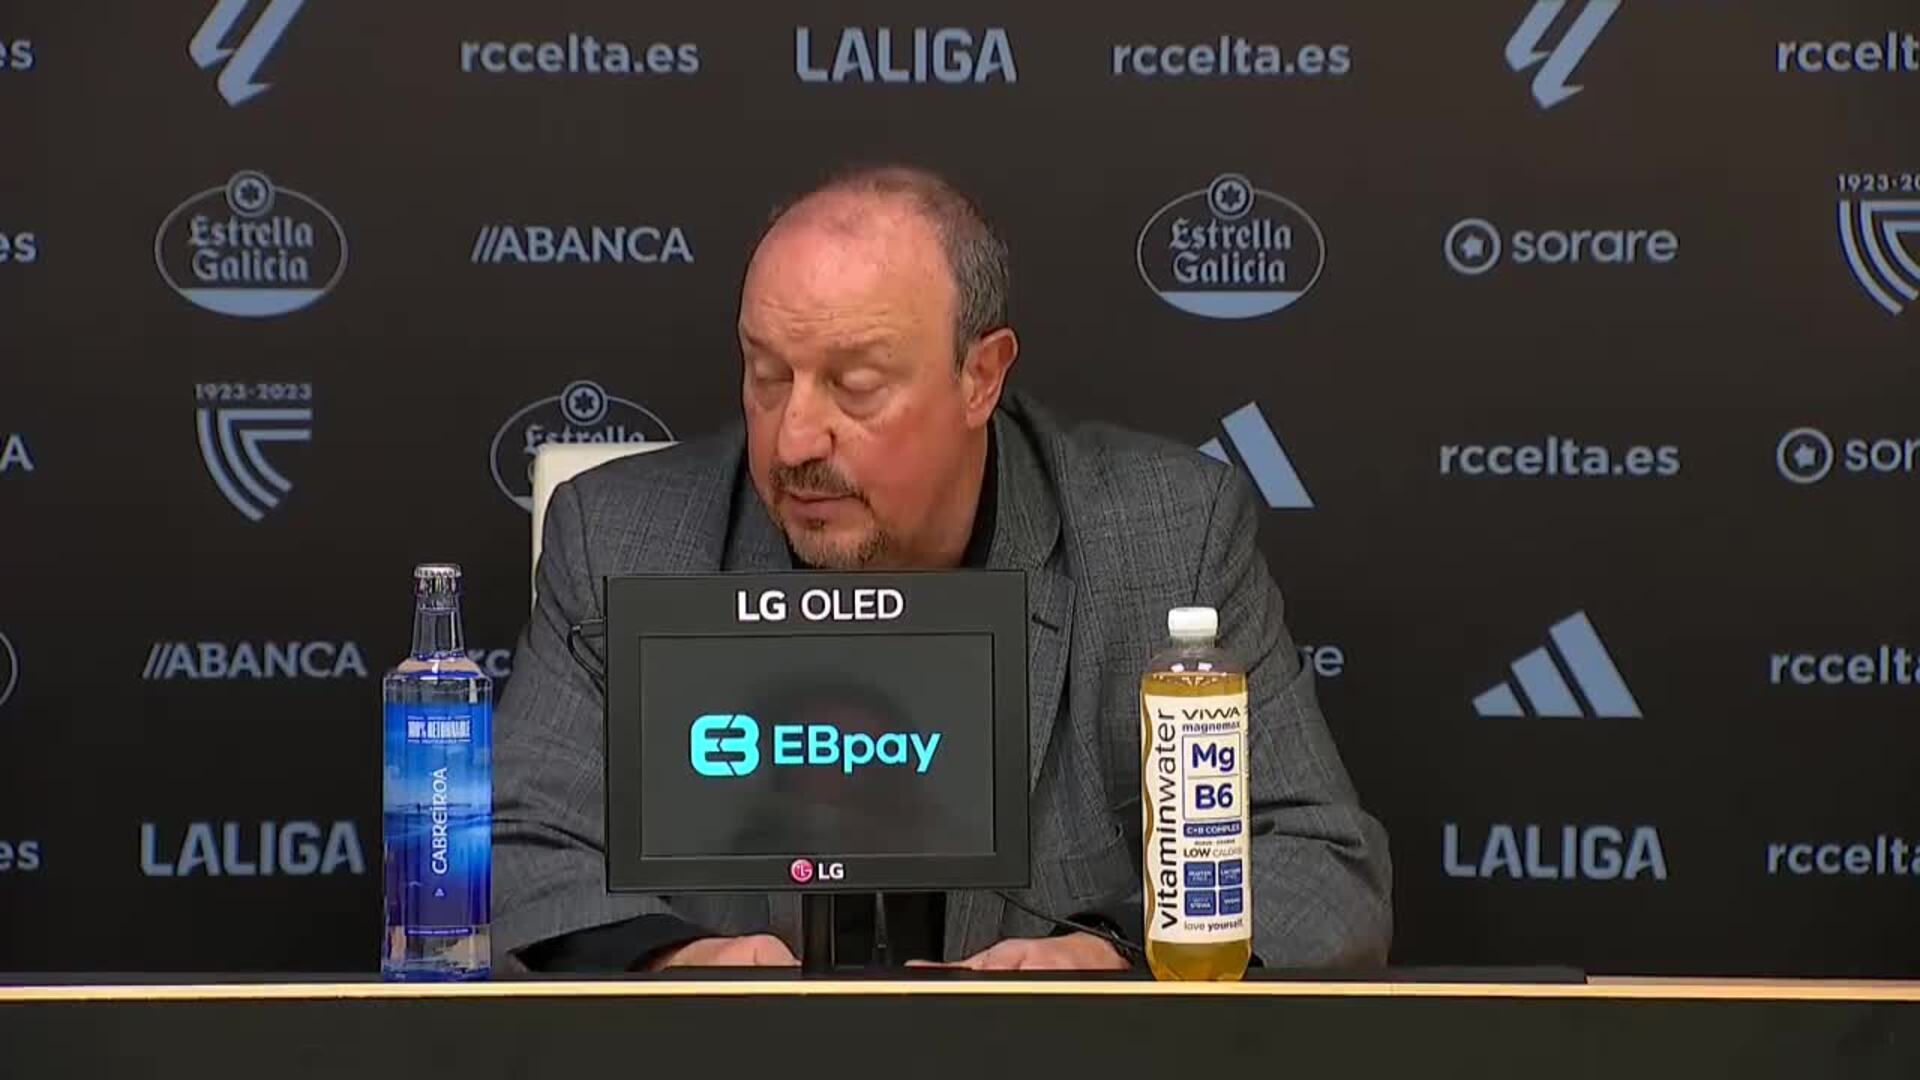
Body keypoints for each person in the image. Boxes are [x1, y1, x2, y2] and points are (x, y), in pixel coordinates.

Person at [493, 164, 1392, 972]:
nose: (795, 439)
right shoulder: (618, 540)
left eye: (855, 386)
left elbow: (1318, 863)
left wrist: (1112, 952)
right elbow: (513, 854)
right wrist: (673, 962)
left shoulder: (1168, 537)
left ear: (981, 377)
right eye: (767, 375)